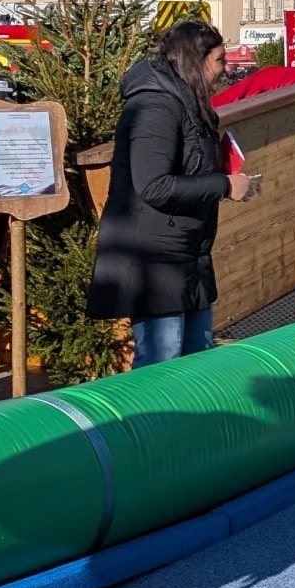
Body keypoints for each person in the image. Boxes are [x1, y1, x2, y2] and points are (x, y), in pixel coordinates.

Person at [87, 20, 258, 367]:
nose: (226, 69)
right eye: (220, 60)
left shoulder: (189, 103)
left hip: (186, 253)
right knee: (161, 362)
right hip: (153, 259)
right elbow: (153, 184)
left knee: (196, 361)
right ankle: (146, 422)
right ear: (197, 61)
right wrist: (224, 185)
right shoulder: (156, 107)